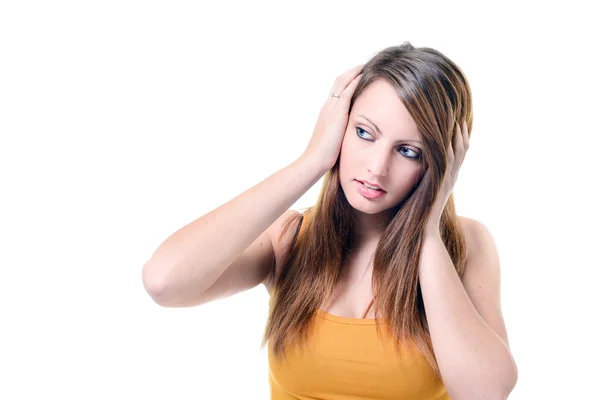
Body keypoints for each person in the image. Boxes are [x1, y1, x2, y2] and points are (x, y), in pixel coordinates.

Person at [142, 41, 519, 399]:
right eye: (363, 133)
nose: (376, 168)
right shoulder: (291, 238)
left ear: (441, 163)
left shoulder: (465, 245)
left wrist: (429, 234)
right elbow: (164, 282)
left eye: (408, 151)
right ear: (338, 126)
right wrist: (311, 161)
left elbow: (485, 393)